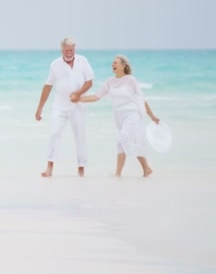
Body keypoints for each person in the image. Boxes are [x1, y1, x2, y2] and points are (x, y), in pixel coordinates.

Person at [79, 55, 159, 177]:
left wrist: (152, 116)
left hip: (132, 114)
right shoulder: (109, 82)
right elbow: (96, 96)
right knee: (130, 142)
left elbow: (141, 99)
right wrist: (79, 99)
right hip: (119, 117)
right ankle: (145, 169)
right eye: (112, 63)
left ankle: (118, 174)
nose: (113, 65)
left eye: (116, 63)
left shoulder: (130, 80)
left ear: (123, 66)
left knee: (123, 138)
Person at [35, 37, 94, 177]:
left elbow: (89, 82)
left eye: (71, 50)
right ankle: (49, 168)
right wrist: (39, 108)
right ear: (62, 50)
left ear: (75, 50)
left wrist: (78, 94)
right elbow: (48, 86)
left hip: (77, 106)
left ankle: (81, 168)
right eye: (66, 50)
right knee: (55, 134)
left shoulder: (83, 61)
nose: (69, 53)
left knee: (80, 136)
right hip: (59, 106)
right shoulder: (55, 64)